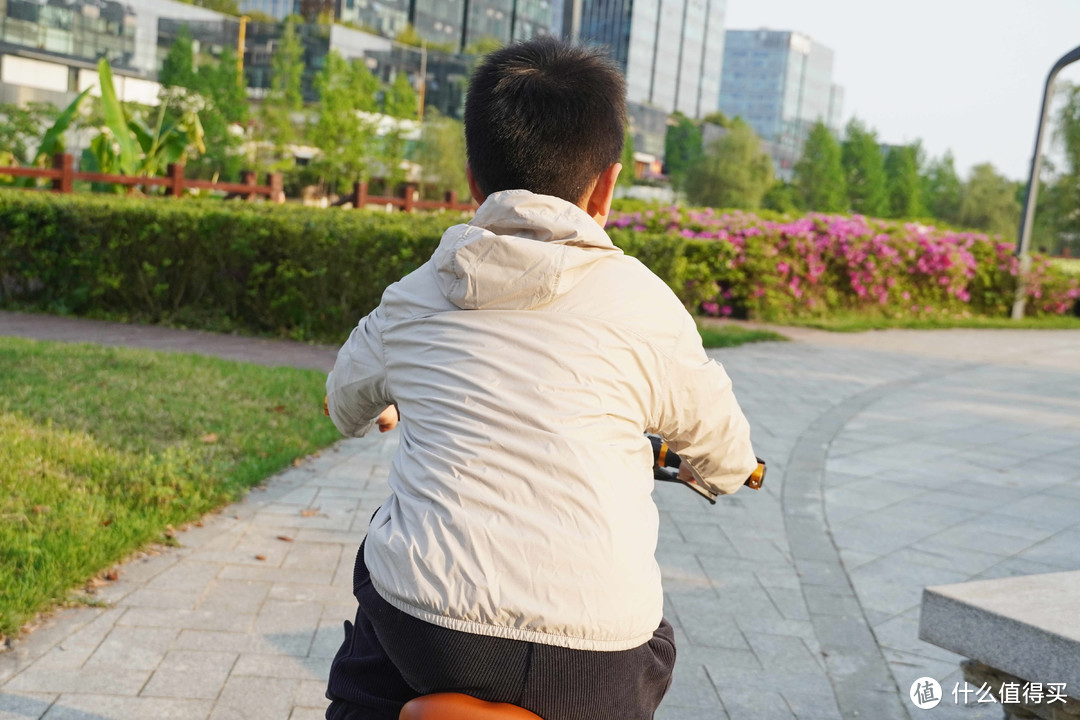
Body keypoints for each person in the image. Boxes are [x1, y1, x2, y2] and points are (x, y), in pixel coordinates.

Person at [324, 37, 758, 720]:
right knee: (656, 646)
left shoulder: (412, 297)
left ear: (472, 178)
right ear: (608, 184)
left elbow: (342, 403)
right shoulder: (646, 305)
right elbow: (728, 459)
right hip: (593, 658)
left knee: (368, 670)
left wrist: (392, 399)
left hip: (429, 634)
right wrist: (727, 469)